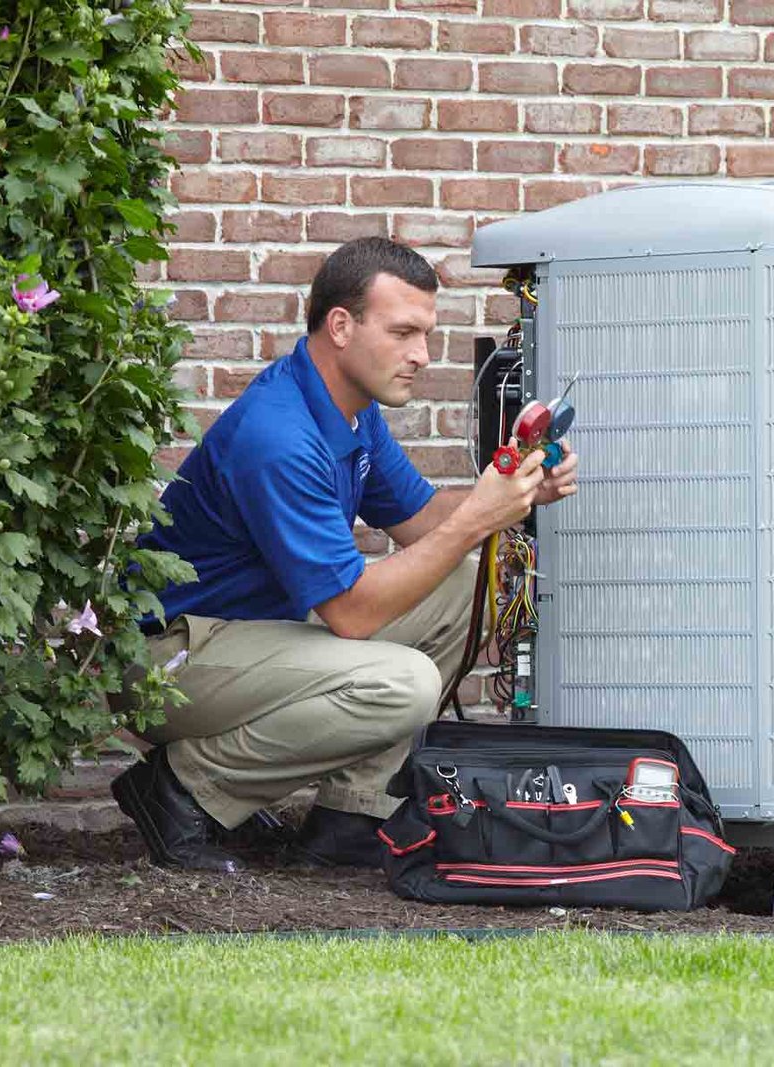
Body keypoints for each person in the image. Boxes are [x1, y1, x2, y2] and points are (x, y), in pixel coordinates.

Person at [110, 237, 577, 871]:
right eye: (404, 333)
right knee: (401, 683)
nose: (421, 356)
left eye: (427, 336)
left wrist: (518, 491)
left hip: (250, 634)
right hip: (169, 660)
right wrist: (476, 518)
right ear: (341, 326)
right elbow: (352, 615)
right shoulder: (279, 435)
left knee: (469, 587)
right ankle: (182, 790)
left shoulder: (349, 412)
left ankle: (351, 818)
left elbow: (420, 526)